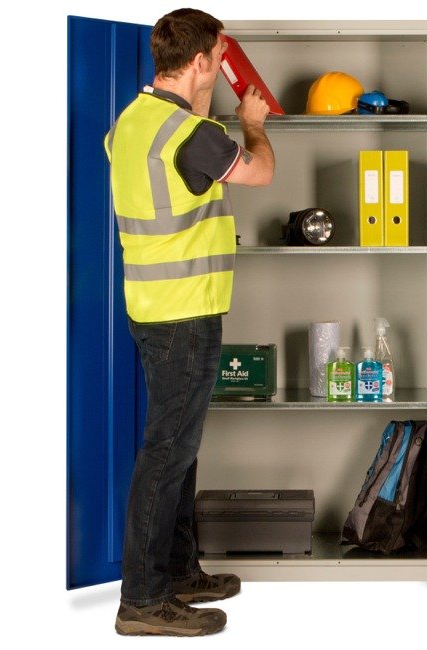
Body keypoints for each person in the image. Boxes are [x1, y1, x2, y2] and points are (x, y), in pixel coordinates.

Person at [103, 7, 274, 637]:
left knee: (178, 449)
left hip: (154, 308)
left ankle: (176, 571)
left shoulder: (132, 122)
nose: (223, 67)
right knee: (167, 453)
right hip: (185, 313)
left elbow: (183, 170)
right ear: (201, 61)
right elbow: (261, 172)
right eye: (220, 58)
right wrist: (252, 125)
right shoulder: (192, 134)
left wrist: (209, 102)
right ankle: (142, 601)